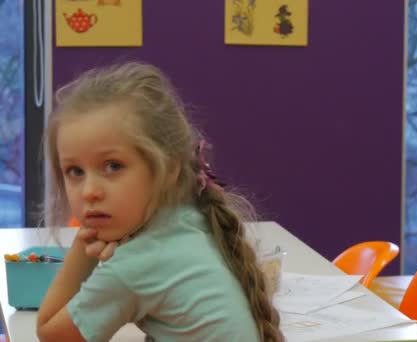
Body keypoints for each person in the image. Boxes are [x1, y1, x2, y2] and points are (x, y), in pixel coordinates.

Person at [36, 62, 283, 341]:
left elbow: (49, 334)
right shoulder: (190, 217)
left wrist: (82, 250)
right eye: (75, 171)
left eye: (113, 166)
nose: (89, 191)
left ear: (169, 168)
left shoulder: (138, 264)